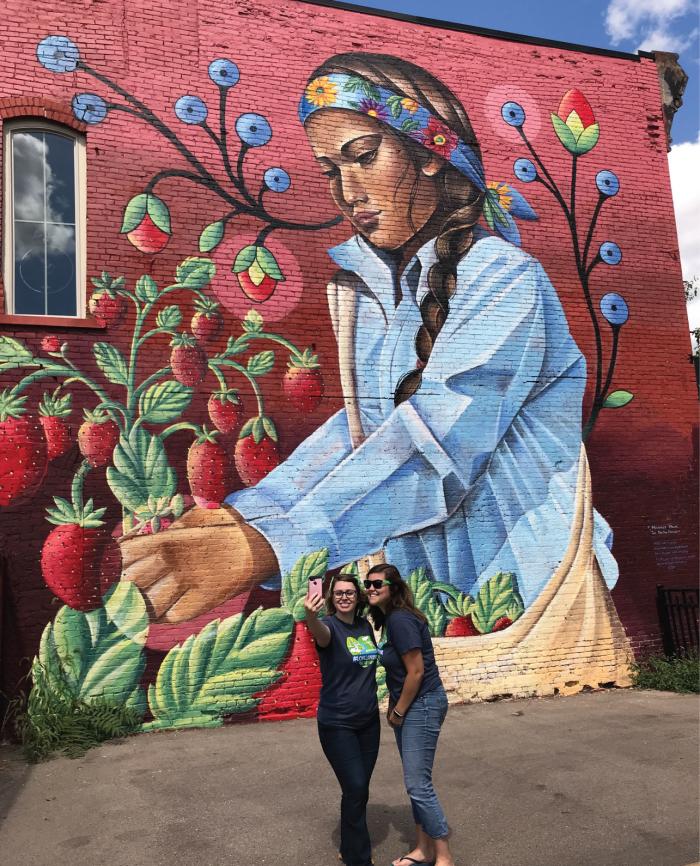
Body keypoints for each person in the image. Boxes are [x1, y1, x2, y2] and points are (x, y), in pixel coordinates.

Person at [120, 52, 618, 625]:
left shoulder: (504, 280)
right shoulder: (366, 290)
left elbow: (436, 447)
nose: (346, 189)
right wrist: (251, 515)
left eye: (361, 156)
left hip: (530, 600)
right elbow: (360, 436)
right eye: (330, 170)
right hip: (426, 601)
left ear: (431, 154)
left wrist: (268, 546)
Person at [366, 563, 453, 866]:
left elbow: (416, 672)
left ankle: (443, 857)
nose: (372, 589)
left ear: (394, 587)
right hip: (416, 704)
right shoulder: (394, 619)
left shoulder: (400, 620)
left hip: (421, 704)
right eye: (369, 584)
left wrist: (399, 711)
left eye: (378, 584)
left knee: (418, 784)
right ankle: (423, 850)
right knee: (418, 781)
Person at [304, 573, 380, 866]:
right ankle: (359, 859)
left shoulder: (363, 626)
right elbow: (319, 633)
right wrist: (310, 616)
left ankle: (349, 848)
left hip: (368, 722)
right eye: (339, 593)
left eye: (349, 592)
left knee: (358, 791)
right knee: (356, 787)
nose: (345, 597)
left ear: (357, 597)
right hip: (338, 724)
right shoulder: (329, 628)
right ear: (331, 599)